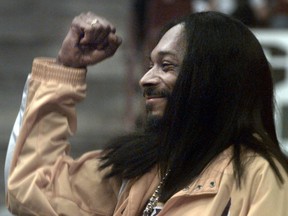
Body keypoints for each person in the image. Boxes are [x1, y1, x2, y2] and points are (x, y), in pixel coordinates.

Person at [5, 11, 288, 216]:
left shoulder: (262, 177)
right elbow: (30, 189)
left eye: (166, 66)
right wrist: (66, 69)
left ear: (212, 80)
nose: (146, 79)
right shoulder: (142, 167)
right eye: (150, 65)